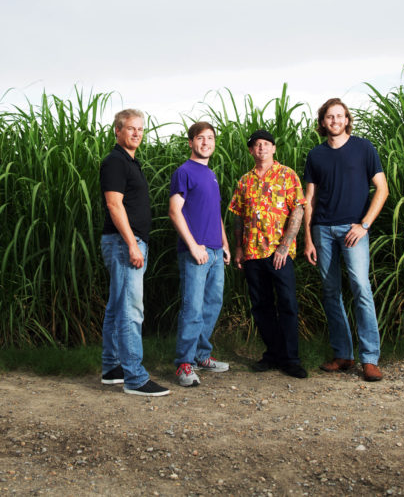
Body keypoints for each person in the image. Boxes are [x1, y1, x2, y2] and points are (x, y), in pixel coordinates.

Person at [302, 98, 389, 382]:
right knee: (330, 293)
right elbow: (309, 200)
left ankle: (370, 359)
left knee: (361, 288)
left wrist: (364, 225)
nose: (335, 121)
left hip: (354, 231)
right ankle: (343, 354)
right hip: (323, 231)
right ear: (323, 122)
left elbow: (382, 189)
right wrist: (308, 239)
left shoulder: (365, 149)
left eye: (340, 116)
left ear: (347, 120)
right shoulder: (315, 155)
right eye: (330, 117)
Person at [99, 108, 171, 396]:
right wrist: (131, 243)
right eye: (131, 128)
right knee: (131, 310)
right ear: (117, 131)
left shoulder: (128, 162)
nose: (137, 133)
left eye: (140, 129)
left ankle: (111, 368)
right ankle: (135, 378)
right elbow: (114, 205)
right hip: (123, 243)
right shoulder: (115, 162)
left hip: (125, 242)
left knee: (117, 307)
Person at [228, 129, 308, 379]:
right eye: (256, 145)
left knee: (287, 304)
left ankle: (291, 359)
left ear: (274, 148)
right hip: (252, 253)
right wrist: (239, 248)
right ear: (251, 151)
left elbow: (298, 210)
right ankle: (273, 354)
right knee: (261, 306)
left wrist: (285, 245)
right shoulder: (245, 180)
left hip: (279, 253)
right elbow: (238, 215)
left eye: (266, 144)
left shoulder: (287, 175)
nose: (261, 148)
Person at [169, 121, 232, 387]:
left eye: (210, 138)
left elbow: (215, 213)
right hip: (196, 252)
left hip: (216, 251)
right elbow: (175, 211)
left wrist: (225, 244)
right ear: (191, 142)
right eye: (200, 138)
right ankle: (184, 364)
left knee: (211, 306)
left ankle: (201, 356)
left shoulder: (211, 174)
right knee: (192, 308)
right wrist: (194, 246)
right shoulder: (184, 172)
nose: (205, 142)